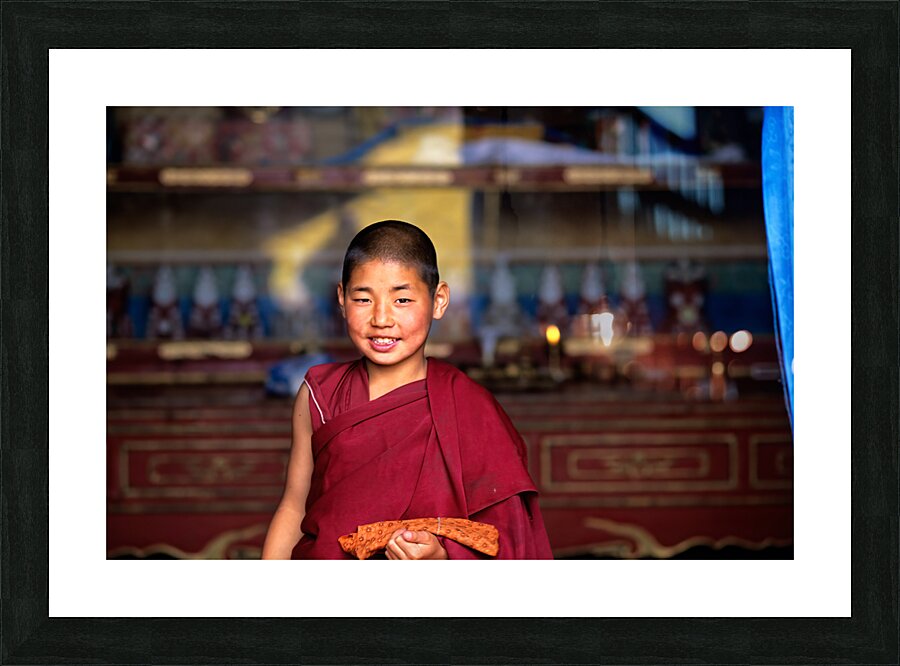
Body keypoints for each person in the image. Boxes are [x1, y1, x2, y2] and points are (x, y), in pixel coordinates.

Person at [262, 220, 552, 560]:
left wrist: (444, 557)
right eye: (362, 298)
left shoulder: (471, 406)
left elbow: (509, 538)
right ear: (341, 298)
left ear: (439, 300)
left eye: (402, 299)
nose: (382, 318)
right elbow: (295, 508)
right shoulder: (319, 394)